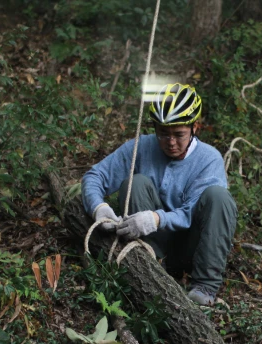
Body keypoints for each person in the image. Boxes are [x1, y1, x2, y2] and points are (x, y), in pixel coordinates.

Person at [81, 83, 237, 306]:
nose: (171, 142)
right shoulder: (141, 146)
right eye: (163, 134)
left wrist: (155, 219)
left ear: (195, 127)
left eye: (178, 134)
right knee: (136, 183)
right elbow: (95, 176)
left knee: (218, 197)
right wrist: (99, 208)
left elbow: (189, 212)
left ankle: (204, 287)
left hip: (190, 246)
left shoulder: (209, 159)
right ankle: (151, 270)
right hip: (151, 246)